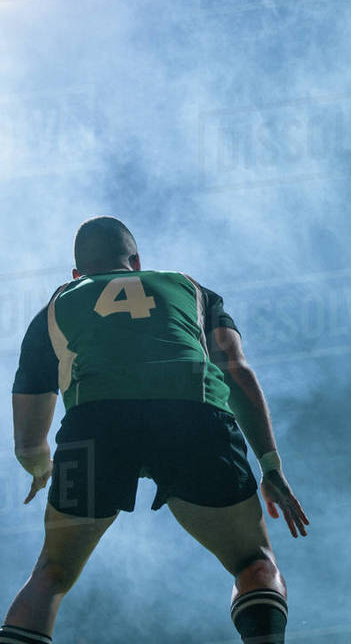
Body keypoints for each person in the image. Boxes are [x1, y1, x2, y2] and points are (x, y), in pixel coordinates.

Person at [3, 216, 307, 644]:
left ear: (76, 274)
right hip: (194, 417)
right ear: (137, 262)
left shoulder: (56, 306)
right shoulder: (191, 288)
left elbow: (29, 434)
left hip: (94, 426)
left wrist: (38, 465)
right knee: (254, 564)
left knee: (50, 574)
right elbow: (235, 370)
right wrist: (271, 468)